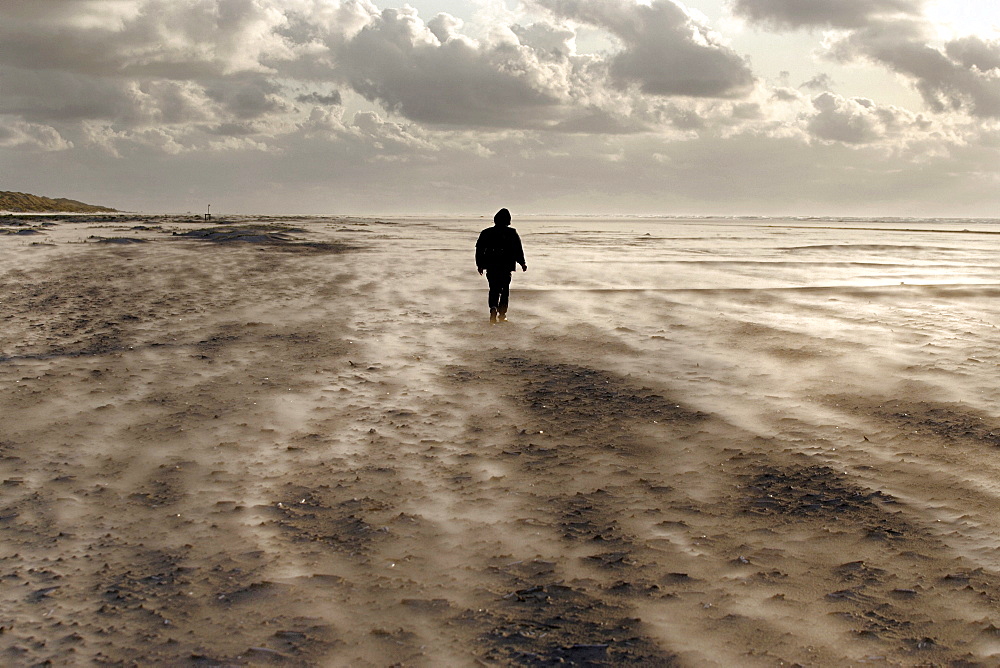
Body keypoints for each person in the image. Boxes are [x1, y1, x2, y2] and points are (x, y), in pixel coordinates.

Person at [476, 208, 527, 323]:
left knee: (493, 288)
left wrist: (479, 265)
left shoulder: (486, 233)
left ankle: (493, 307)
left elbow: (479, 250)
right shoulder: (512, 233)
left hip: (491, 265)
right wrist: (522, 263)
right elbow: (518, 249)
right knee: (504, 290)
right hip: (506, 265)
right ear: (508, 220)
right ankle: (502, 314)